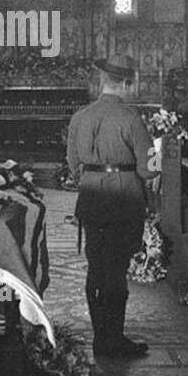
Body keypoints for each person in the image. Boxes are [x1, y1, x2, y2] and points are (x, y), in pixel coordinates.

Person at [67, 52, 154, 358]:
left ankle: (99, 337)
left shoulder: (80, 116)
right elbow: (149, 168)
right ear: (128, 83)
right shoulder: (131, 118)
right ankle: (112, 340)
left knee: (96, 266)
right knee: (116, 270)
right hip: (124, 200)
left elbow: (72, 162)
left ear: (102, 80)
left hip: (90, 198)